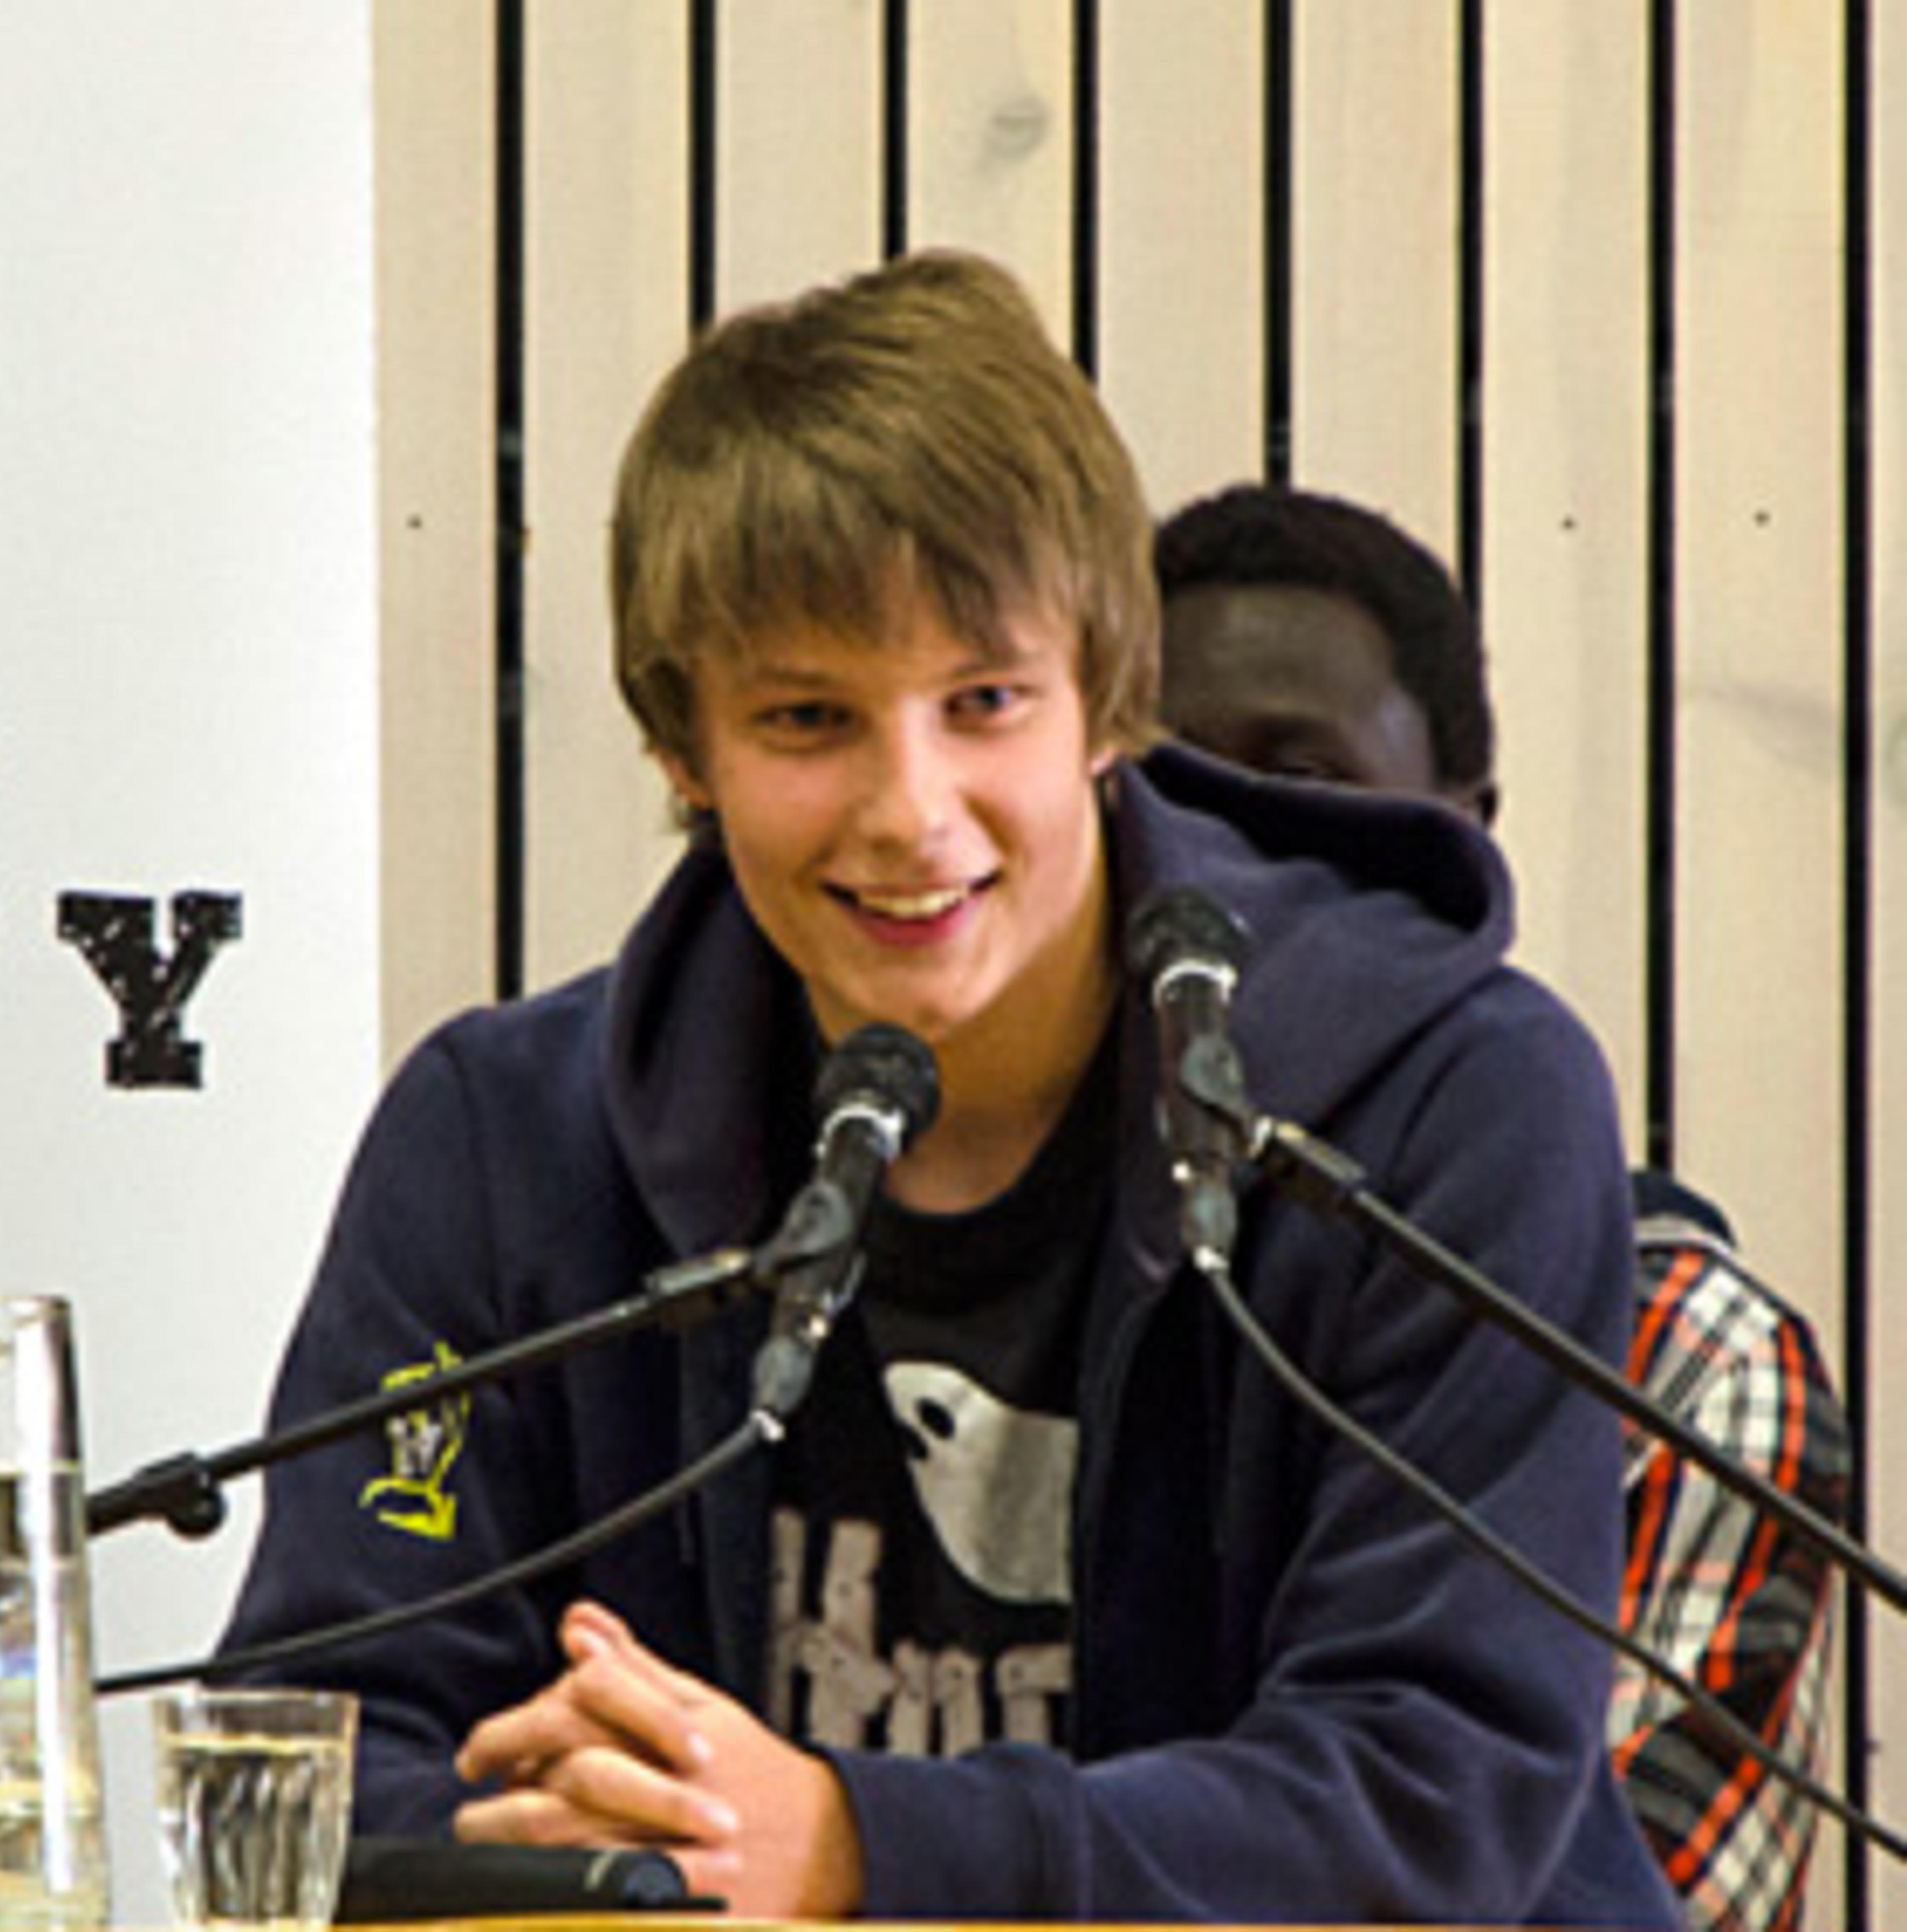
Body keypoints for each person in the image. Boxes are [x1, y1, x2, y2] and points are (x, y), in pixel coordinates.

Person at [218, 254, 1680, 1925]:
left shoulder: (1449, 1101)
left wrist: (850, 1843)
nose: (912, 811)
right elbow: (307, 1767)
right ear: (684, 749)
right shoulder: (498, 1143)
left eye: (985, 702)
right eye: (807, 719)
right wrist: (632, 1851)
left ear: (1106, 701)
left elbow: (1434, 1795)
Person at [1157, 478, 1852, 1932]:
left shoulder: (1690, 1352)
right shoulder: (1011, 1268)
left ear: (1463, 833)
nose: (1225, 860)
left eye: (1306, 780)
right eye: (1169, 792)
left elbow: (1613, 1901)